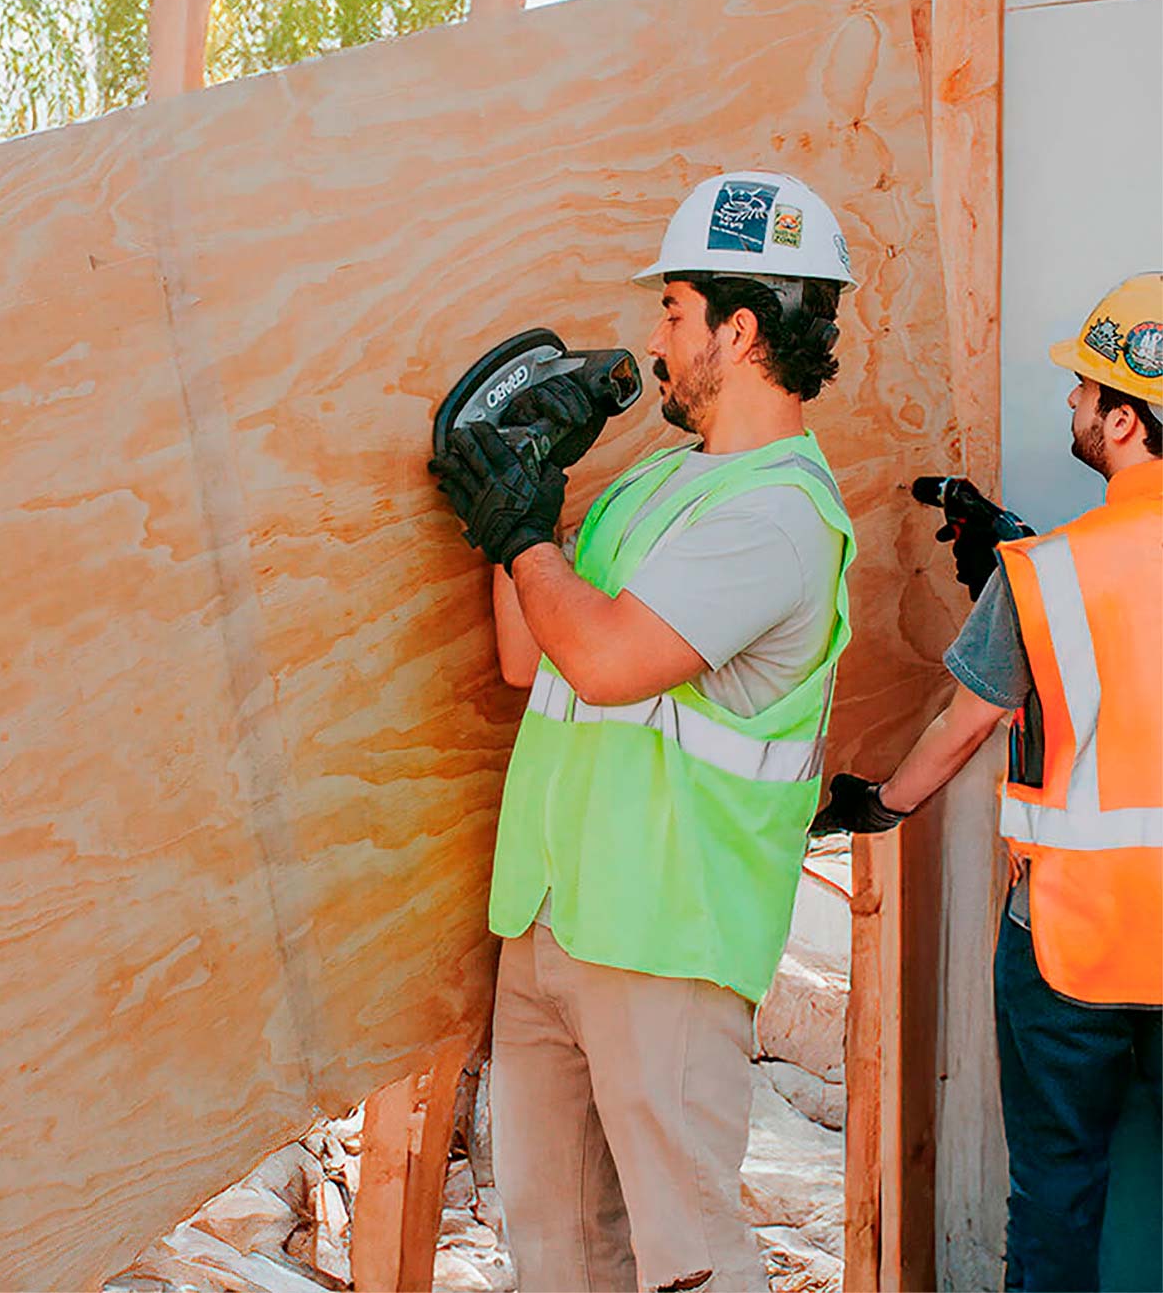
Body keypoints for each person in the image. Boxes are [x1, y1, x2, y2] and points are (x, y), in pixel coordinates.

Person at [429, 171, 858, 1292]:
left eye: (672, 312)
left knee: (690, 1266)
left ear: (741, 328)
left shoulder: (781, 517)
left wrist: (526, 532)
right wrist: (532, 494)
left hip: (666, 942)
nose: (656, 340)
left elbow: (612, 661)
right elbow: (537, 655)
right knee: (561, 1256)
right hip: (555, 919)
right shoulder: (654, 485)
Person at [814, 273, 1163, 1293]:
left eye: (1085, 390)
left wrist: (878, 803)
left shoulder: (1048, 576)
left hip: (1069, 947)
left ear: (1127, 421)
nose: (1070, 403)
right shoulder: (1037, 568)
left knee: (1057, 1195)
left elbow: (966, 723)